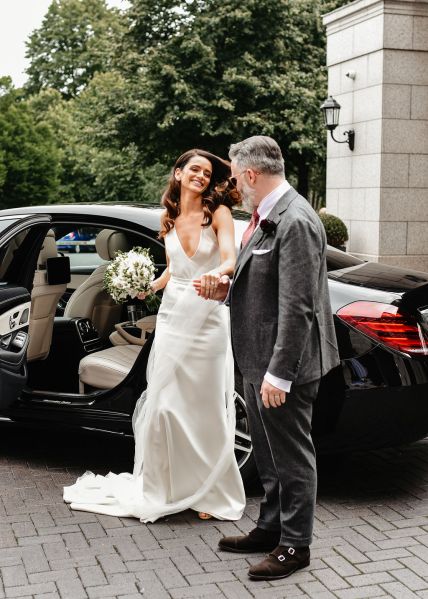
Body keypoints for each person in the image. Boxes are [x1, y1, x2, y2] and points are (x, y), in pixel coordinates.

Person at [63, 149, 246, 523]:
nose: (200, 176)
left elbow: (230, 258)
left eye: (207, 172)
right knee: (164, 406)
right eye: (193, 169)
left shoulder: (219, 214)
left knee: (206, 406)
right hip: (174, 317)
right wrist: (149, 285)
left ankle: (211, 492)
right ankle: (166, 487)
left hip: (208, 318)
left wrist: (219, 274)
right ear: (178, 173)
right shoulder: (169, 218)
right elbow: (175, 269)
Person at [195, 136, 340, 580]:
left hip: (282, 368)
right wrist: (225, 289)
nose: (235, 186)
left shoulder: (295, 220)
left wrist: (279, 375)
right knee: (268, 453)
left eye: (236, 178)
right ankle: (270, 527)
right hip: (256, 359)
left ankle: (295, 546)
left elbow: (298, 306)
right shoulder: (263, 217)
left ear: (252, 174)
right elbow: (261, 281)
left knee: (292, 457)